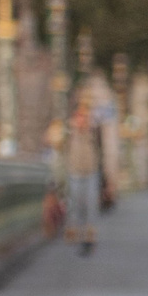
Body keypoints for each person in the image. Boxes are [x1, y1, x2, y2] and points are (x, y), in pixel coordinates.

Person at [64, 100, 101, 255]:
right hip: (74, 172)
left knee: (90, 205)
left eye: (85, 116)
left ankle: (89, 236)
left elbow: (101, 153)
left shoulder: (93, 133)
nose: (82, 120)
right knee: (75, 205)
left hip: (91, 172)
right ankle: (76, 233)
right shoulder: (69, 133)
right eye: (79, 116)